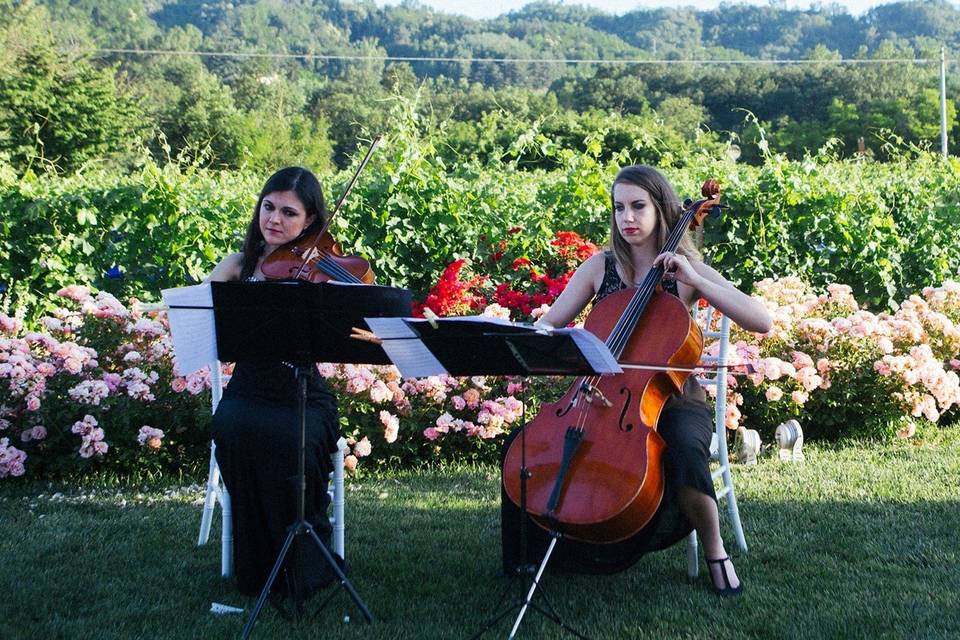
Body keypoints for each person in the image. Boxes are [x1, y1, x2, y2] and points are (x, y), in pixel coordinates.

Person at [501, 165, 772, 596]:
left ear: (662, 209)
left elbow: (762, 322)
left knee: (683, 448)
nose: (627, 217)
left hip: (673, 397)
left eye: (638, 206)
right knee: (529, 440)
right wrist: (507, 333)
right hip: (596, 395)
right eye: (619, 207)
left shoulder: (684, 271)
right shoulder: (599, 267)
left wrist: (696, 279)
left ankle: (715, 549)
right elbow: (550, 326)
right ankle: (535, 553)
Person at [206, 166, 343, 600]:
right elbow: (202, 316)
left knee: (294, 439)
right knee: (232, 427)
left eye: (289, 212)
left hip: (302, 390)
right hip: (248, 388)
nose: (275, 219)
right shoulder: (236, 266)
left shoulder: (320, 269)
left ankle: (302, 562)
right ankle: (258, 564)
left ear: (310, 224)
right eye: (268, 207)